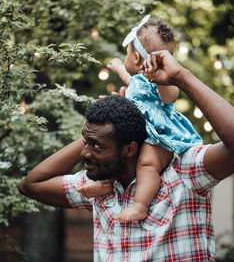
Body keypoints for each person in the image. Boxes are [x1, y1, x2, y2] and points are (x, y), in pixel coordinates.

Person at [18, 48, 234, 261]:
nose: (84, 153)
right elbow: (31, 184)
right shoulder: (99, 186)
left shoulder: (183, 171)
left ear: (130, 149)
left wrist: (181, 78)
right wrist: (99, 129)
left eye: (97, 146)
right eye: (86, 141)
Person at [77, 15, 202, 223]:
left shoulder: (163, 83)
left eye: (127, 53)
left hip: (159, 137)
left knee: (146, 163)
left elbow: (171, 95)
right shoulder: (138, 81)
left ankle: (140, 205)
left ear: (135, 58)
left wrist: (165, 79)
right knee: (114, 151)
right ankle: (104, 184)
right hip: (140, 133)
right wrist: (118, 68)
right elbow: (131, 81)